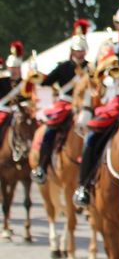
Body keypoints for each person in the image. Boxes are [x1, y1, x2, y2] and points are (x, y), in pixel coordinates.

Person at [72, 0, 119, 208]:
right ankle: (84, 185)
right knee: (93, 138)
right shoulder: (108, 47)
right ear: (117, 24)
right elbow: (101, 76)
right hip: (116, 100)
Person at [31, 20, 90, 184]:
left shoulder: (90, 68)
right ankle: (42, 167)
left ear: (86, 52)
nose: (79, 53)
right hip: (65, 104)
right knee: (49, 131)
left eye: (82, 50)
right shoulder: (63, 67)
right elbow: (46, 81)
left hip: (84, 106)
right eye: (77, 50)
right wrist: (37, 74)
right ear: (72, 51)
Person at [0, 41, 29, 144]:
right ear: (8, 68)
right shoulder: (2, 81)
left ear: (20, 68)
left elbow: (29, 99)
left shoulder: (26, 83)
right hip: (4, 111)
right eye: (12, 68)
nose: (13, 70)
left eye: (16, 68)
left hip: (21, 113)